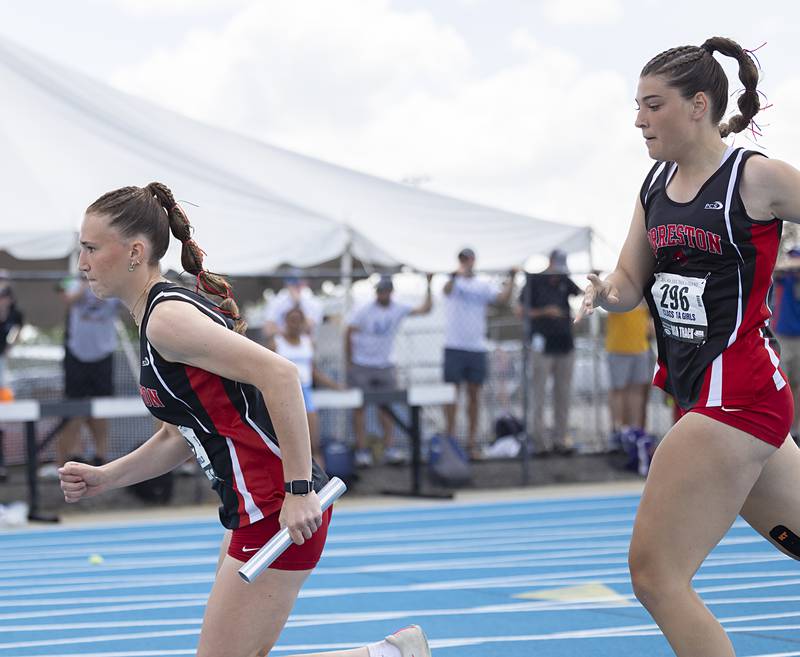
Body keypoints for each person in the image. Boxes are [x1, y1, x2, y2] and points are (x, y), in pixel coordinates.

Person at [57, 183, 430, 657]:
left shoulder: (165, 319)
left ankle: (389, 655)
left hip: (278, 509)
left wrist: (297, 491)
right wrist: (105, 477)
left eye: (91, 248)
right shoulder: (156, 317)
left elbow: (281, 375)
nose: (82, 262)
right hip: (250, 507)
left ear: (134, 251)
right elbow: (179, 435)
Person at [576, 37, 800, 657]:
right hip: (709, 397)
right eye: (636, 106)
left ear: (698, 104)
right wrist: (603, 291)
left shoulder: (755, 177)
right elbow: (629, 282)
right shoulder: (655, 184)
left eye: (653, 105)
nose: (639, 119)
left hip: (740, 396)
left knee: (656, 576)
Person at [346, 274, 432, 466]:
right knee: (359, 408)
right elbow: (349, 331)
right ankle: (362, 450)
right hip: (363, 364)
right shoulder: (363, 310)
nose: (382, 294)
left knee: (387, 407)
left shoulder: (398, 308)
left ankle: (390, 448)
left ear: (390, 292)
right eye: (380, 291)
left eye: (386, 291)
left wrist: (429, 284)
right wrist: (350, 362)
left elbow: (425, 309)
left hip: (385, 365)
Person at [40, 276, 121, 478]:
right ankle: (70, 456)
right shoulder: (72, 280)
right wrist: (86, 285)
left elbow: (130, 300)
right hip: (77, 353)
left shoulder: (114, 281)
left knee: (101, 409)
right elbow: (66, 297)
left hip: (103, 354)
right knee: (73, 409)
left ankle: (100, 457)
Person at [443, 248, 516, 459]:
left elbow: (502, 298)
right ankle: (451, 438)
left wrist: (512, 278)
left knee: (474, 395)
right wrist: (456, 274)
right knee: (451, 396)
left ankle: (471, 442)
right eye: (463, 260)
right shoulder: (453, 282)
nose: (466, 262)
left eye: (468, 259)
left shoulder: (482, 285)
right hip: (454, 346)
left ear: (474, 260)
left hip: (475, 347)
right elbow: (446, 290)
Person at [518, 249, 581, 454]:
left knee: (563, 394)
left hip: (565, 344)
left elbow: (581, 293)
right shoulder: (535, 281)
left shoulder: (565, 279)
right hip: (542, 345)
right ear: (550, 262)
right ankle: (538, 442)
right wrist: (545, 311)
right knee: (539, 394)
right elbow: (520, 310)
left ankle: (560, 440)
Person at [267, 305, 343, 469]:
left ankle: (320, 486)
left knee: (313, 442)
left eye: (298, 320)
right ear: (286, 322)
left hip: (305, 392)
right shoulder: (276, 343)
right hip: (284, 393)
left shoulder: (308, 343)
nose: (295, 324)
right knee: (286, 443)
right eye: (291, 320)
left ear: (303, 322)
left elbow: (313, 371)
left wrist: (335, 385)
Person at [604, 301, 654, 447]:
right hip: (618, 349)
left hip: (640, 349)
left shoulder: (644, 295)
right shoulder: (619, 292)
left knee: (637, 391)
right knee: (618, 390)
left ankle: (635, 430)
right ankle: (617, 430)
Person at [772, 247, 800, 441]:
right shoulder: (783, 275)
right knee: (781, 386)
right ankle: (782, 429)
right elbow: (777, 267)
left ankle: (795, 431)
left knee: (798, 388)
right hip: (782, 338)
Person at [0, 271, 23, 482]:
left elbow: (12, 340)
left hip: (2, 366)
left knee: (3, 416)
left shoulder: (14, 313)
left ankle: (2, 463)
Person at [262, 271, 324, 341]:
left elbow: (309, 328)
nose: (297, 288)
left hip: (304, 344)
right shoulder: (276, 301)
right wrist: (291, 332)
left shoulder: (314, 302)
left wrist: (298, 303)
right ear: (287, 285)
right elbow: (268, 330)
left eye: (300, 284)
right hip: (282, 343)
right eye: (294, 285)